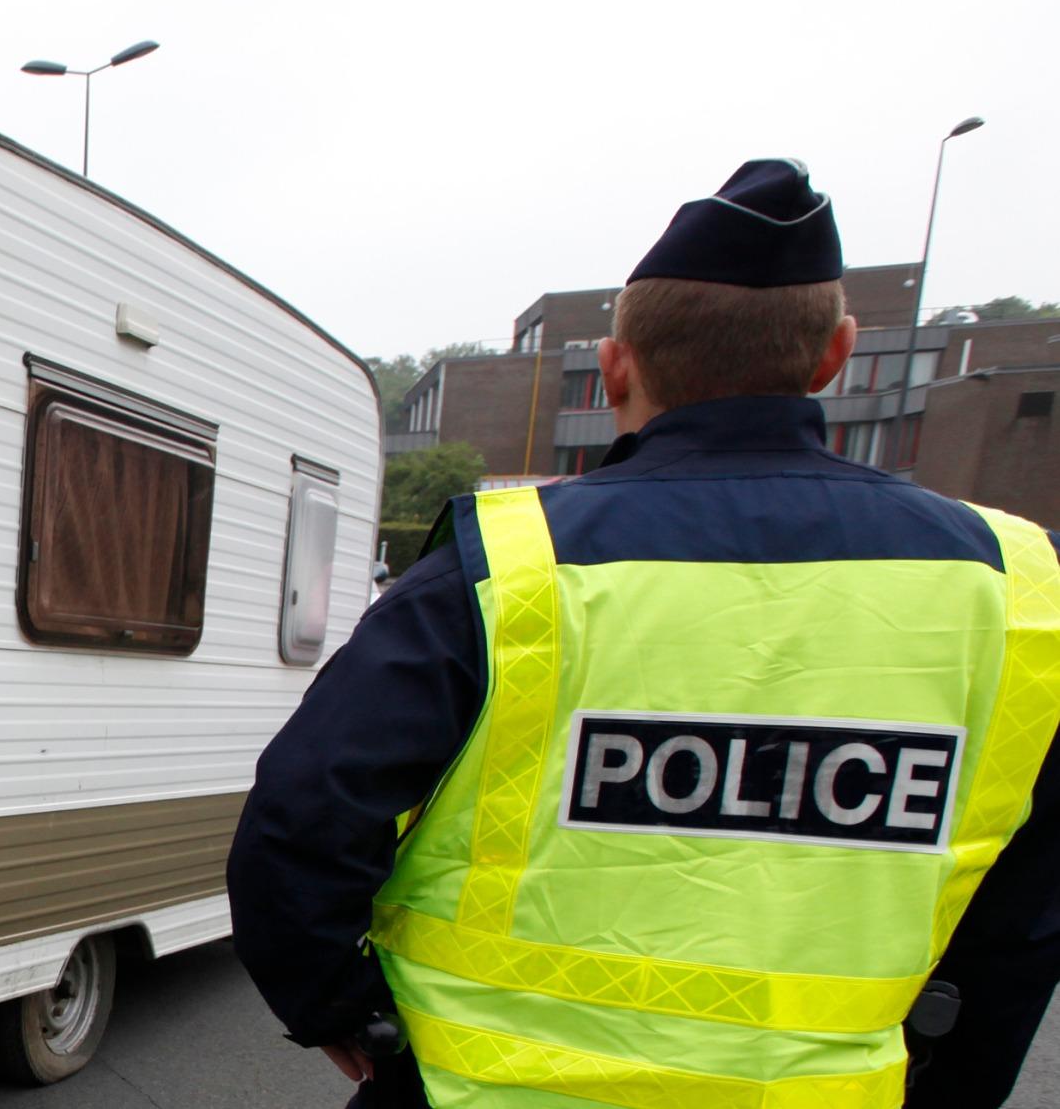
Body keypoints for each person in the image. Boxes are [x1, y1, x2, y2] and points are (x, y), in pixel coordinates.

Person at [226, 158, 1060, 1109]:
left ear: (617, 365)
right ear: (837, 356)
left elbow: (298, 824)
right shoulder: (1023, 592)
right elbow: (1025, 917)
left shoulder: (509, 567)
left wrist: (347, 1011)